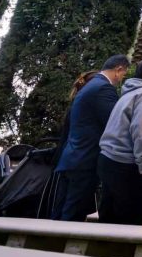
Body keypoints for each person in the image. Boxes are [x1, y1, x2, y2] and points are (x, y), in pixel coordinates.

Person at [53, 55, 129, 221]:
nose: (122, 79)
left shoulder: (90, 85)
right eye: (124, 74)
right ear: (118, 70)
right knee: (73, 214)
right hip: (85, 160)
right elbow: (114, 122)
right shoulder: (103, 88)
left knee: (61, 211)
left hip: (73, 157)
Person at [97, 58, 142, 225]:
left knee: (109, 218)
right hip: (128, 164)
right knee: (132, 220)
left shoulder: (129, 92)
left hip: (108, 159)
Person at [47, 70, 99, 219]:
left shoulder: (75, 105)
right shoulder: (84, 107)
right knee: (72, 208)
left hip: (66, 159)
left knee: (61, 205)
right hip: (79, 160)